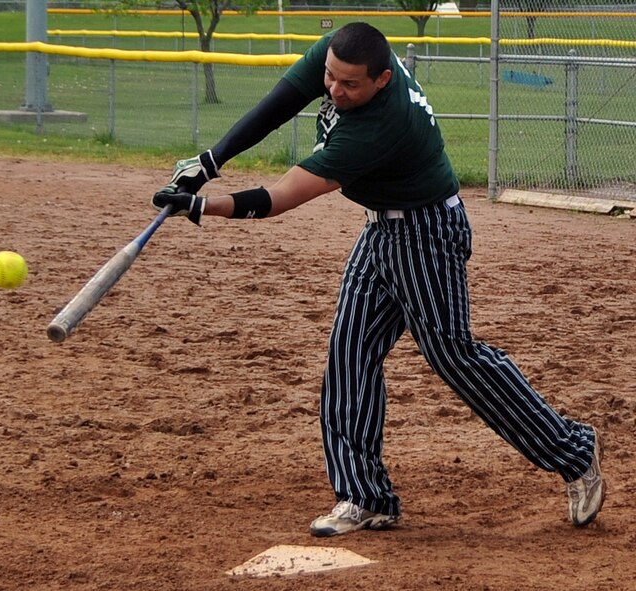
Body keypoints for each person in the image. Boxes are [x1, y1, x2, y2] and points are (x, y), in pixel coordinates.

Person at [152, 22, 606, 536]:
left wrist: (203, 206)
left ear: (383, 79)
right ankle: (365, 496)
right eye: (330, 78)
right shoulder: (342, 55)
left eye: (349, 85)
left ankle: (575, 450)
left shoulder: (377, 128)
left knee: (453, 357)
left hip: (426, 233)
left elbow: (280, 197)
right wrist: (210, 161)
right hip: (382, 228)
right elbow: (280, 102)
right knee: (350, 352)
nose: (334, 90)